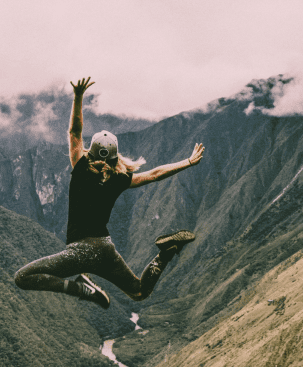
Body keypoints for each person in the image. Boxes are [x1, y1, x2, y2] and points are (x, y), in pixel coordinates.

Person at [14, 77, 205, 309]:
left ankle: (81, 288)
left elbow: (75, 132)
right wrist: (187, 161)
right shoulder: (119, 179)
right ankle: (165, 254)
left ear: (90, 152)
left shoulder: (82, 168)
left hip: (80, 252)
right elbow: (155, 174)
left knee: (22, 278)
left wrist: (78, 96)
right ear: (115, 157)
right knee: (139, 291)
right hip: (106, 250)